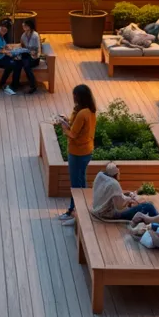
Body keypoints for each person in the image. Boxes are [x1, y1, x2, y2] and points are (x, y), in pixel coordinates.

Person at [57, 84, 98, 226]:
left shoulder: (82, 113)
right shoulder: (89, 111)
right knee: (81, 180)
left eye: (75, 95)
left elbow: (73, 134)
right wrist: (67, 121)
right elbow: (79, 129)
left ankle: (73, 211)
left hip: (78, 152)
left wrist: (63, 127)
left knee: (76, 184)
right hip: (86, 150)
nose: (73, 97)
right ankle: (81, 209)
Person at [91, 162, 159, 221]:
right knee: (148, 206)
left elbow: (112, 196)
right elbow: (119, 207)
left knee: (145, 204)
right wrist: (130, 200)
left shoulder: (100, 175)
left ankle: (157, 218)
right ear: (116, 173)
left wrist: (128, 195)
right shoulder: (114, 184)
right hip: (108, 213)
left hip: (98, 209)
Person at [0, 20, 36, 96]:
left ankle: (15, 84)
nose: (4, 29)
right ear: (0, 26)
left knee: (19, 63)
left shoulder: (0, 35)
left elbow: (5, 46)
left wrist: (13, 49)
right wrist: (12, 53)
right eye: (2, 27)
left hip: (2, 56)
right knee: (13, 64)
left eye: (6, 28)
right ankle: (2, 83)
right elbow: (0, 50)